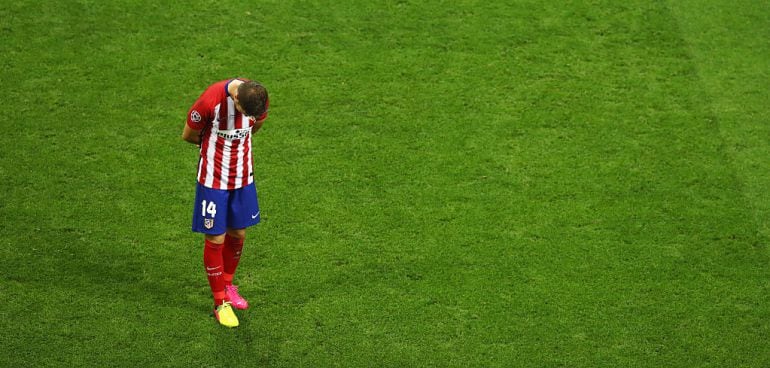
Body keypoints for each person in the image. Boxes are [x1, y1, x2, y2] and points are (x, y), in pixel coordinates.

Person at [181, 78, 269, 327]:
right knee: (216, 238)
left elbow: (259, 122)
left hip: (243, 176)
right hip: (213, 180)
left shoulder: (258, 98)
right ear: (236, 99)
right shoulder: (210, 101)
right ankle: (220, 303)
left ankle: (228, 285)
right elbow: (188, 135)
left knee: (238, 233)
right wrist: (216, 147)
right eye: (242, 111)